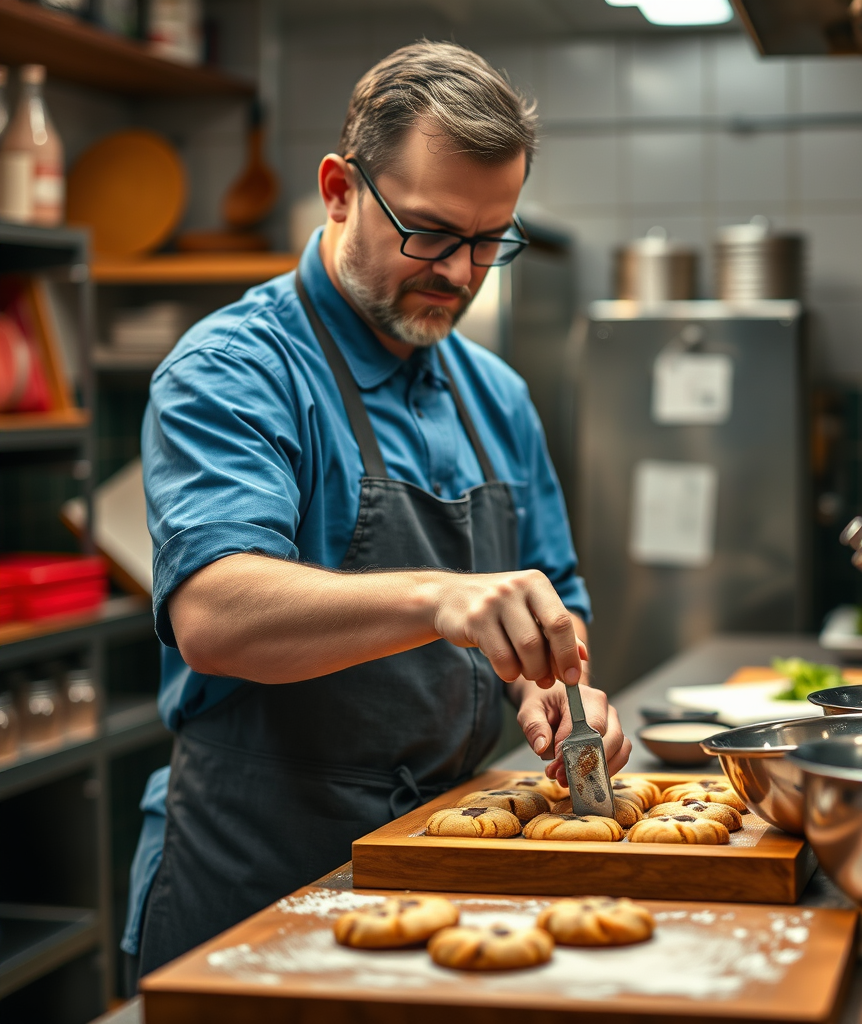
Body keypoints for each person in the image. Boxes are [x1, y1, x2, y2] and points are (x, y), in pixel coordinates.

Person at [122, 40, 630, 982]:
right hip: (257, 872)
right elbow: (214, 614)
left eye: (490, 241)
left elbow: (555, 587)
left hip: (447, 857)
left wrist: (553, 685)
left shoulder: (498, 394)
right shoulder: (234, 370)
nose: (461, 273)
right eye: (432, 232)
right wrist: (440, 598)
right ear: (341, 189)